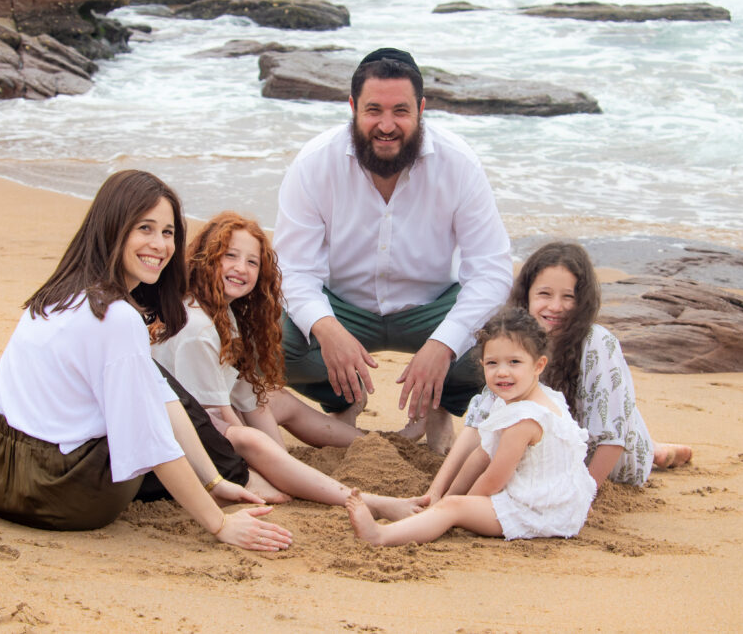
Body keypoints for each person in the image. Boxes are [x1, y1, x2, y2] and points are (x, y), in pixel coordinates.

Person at [0, 170, 292, 552]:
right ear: (113, 227)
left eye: (168, 233)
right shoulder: (117, 318)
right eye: (145, 228)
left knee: (150, 375)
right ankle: (233, 477)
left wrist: (213, 480)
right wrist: (218, 525)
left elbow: (160, 398)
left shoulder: (60, 291)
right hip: (55, 495)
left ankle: (224, 475)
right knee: (148, 387)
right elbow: (151, 441)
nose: (161, 245)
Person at [274, 47, 513, 453]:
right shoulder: (314, 163)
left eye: (400, 111)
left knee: (504, 342)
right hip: (343, 308)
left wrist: (443, 345)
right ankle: (344, 397)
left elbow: (491, 272)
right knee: (266, 342)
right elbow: (292, 270)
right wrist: (328, 330)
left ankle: (440, 406)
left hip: (431, 305)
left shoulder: (459, 164)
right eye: (373, 110)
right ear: (352, 108)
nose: (387, 125)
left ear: (421, 109)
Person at [151, 211, 427, 521]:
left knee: (273, 397)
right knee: (251, 440)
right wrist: (260, 466)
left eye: (252, 262)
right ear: (206, 259)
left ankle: (376, 442)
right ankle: (370, 502)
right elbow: (213, 417)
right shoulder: (199, 329)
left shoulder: (224, 314)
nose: (241, 268)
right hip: (183, 436)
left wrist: (280, 459)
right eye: (229, 256)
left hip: (207, 416)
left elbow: (245, 395)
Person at [427, 242, 692, 498]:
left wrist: (585, 495)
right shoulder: (516, 341)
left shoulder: (597, 343)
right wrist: (435, 491)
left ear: (583, 300)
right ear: (527, 296)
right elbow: (477, 425)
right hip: (549, 456)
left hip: (609, 460)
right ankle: (657, 447)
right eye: (544, 294)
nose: (555, 306)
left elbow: (613, 436)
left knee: (640, 446)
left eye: (568, 297)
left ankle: (655, 450)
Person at [345, 306, 596, 546]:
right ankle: (437, 510)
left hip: (538, 512)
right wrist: (445, 495)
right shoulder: (525, 397)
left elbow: (493, 480)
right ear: (482, 364)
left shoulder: (525, 419)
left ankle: (379, 535)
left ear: (538, 365)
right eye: (492, 363)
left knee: (452, 509)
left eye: (514, 362)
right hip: (549, 498)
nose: (502, 373)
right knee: (449, 502)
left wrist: (460, 506)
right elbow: (481, 454)